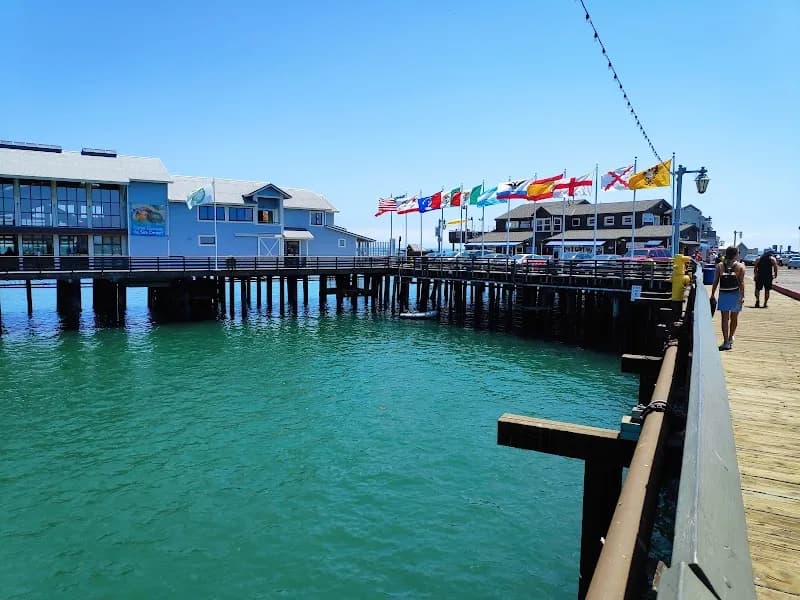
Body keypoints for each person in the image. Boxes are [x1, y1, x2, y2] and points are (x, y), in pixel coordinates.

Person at [711, 246, 745, 351]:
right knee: (734, 318)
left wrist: (712, 294)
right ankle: (731, 338)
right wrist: (742, 296)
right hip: (736, 294)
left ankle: (725, 341)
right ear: (736, 254)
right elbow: (741, 283)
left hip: (724, 294)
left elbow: (715, 281)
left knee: (725, 319)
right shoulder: (740, 266)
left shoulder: (720, 266)